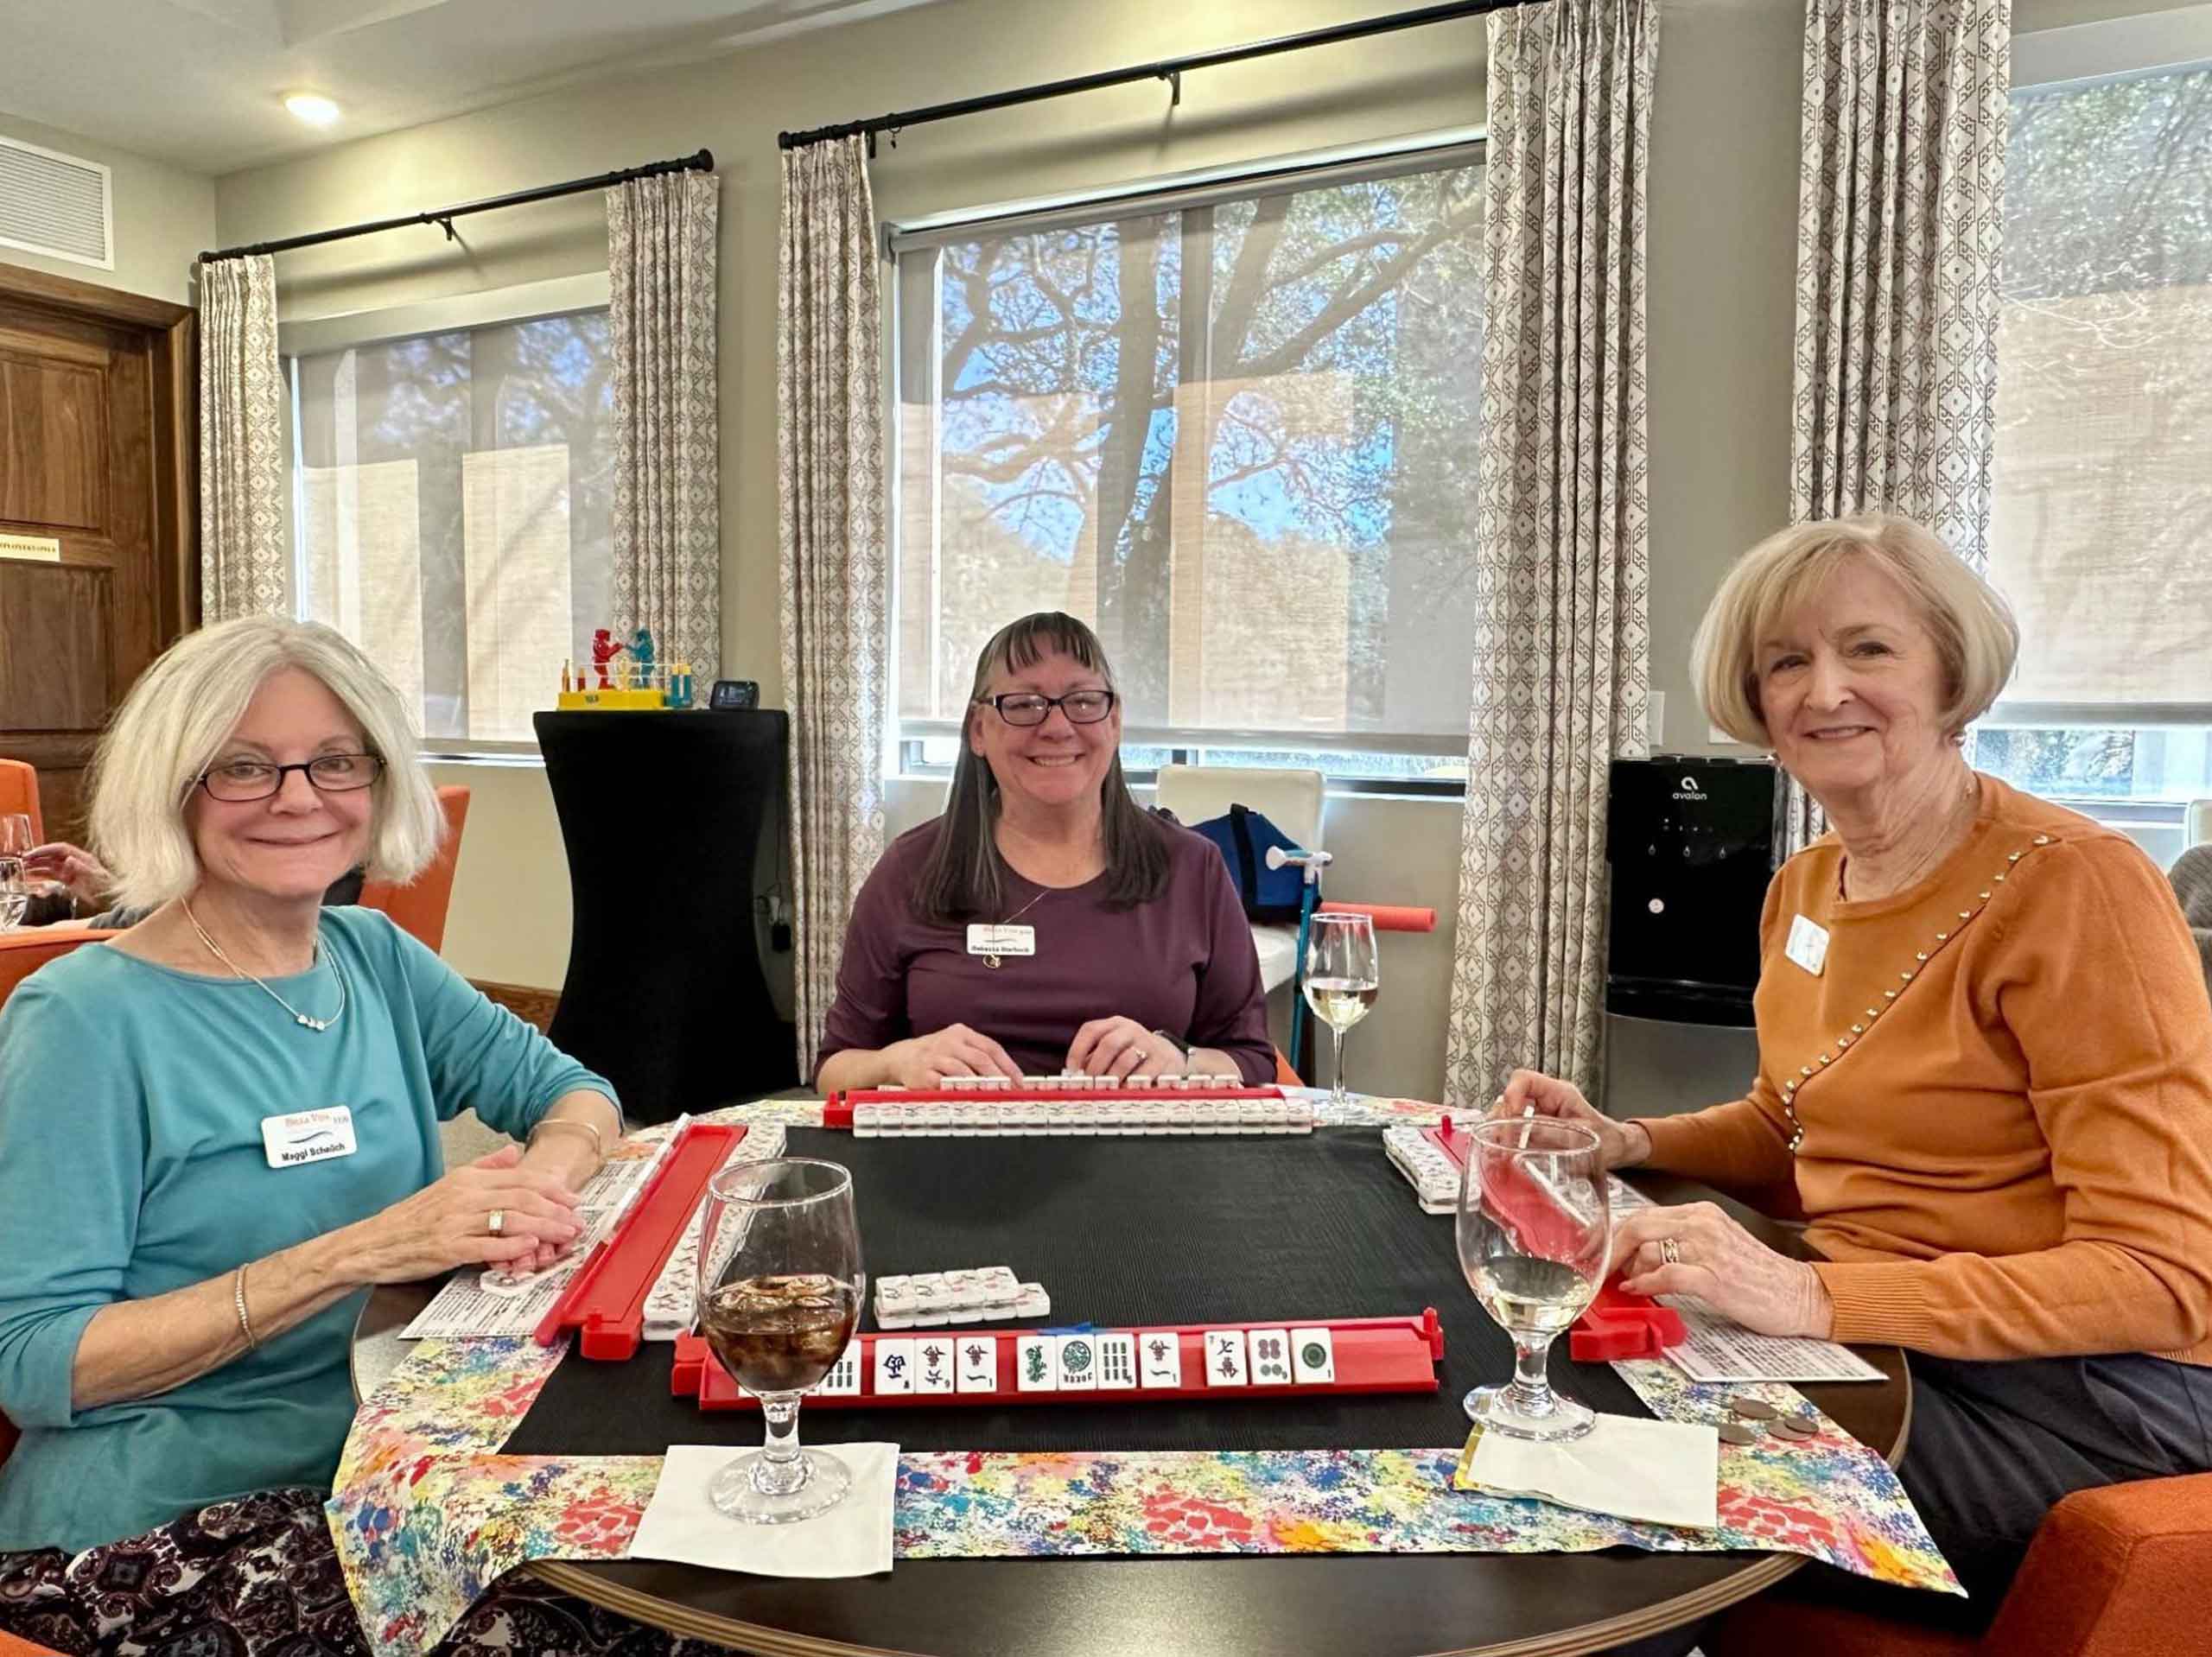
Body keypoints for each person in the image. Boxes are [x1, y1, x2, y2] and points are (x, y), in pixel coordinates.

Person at [1503, 514, 2212, 1627]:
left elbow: (2164, 1274)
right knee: (1544, 1394)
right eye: (1786, 660)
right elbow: (1795, 1122)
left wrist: (1807, 1294)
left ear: (1950, 672)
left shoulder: (2077, 885)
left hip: (2073, 1392)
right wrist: (1624, 1140)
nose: (1822, 688)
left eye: (1867, 649)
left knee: (1603, 1486)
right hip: (1874, 1341)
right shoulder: (1804, 887)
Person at [0, 618, 719, 1657]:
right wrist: (363, 1249)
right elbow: (33, 1362)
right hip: (161, 1521)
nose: (300, 796)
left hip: (392, 1461)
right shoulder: (83, 1018)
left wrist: (538, 1189)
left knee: (697, 1564)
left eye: (337, 761)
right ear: (174, 784)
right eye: (243, 767)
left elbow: (574, 1092)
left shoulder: (370, 954)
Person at [816, 612, 1272, 1091]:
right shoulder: (910, 868)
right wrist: (897, 1061)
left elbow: (1252, 1060)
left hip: (1146, 1158)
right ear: (977, 730)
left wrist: (1181, 1061)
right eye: (1024, 703)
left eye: (1083, 701)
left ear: (1114, 722)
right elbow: (832, 1071)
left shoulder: (1193, 867)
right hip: (951, 1158)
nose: (1057, 726)